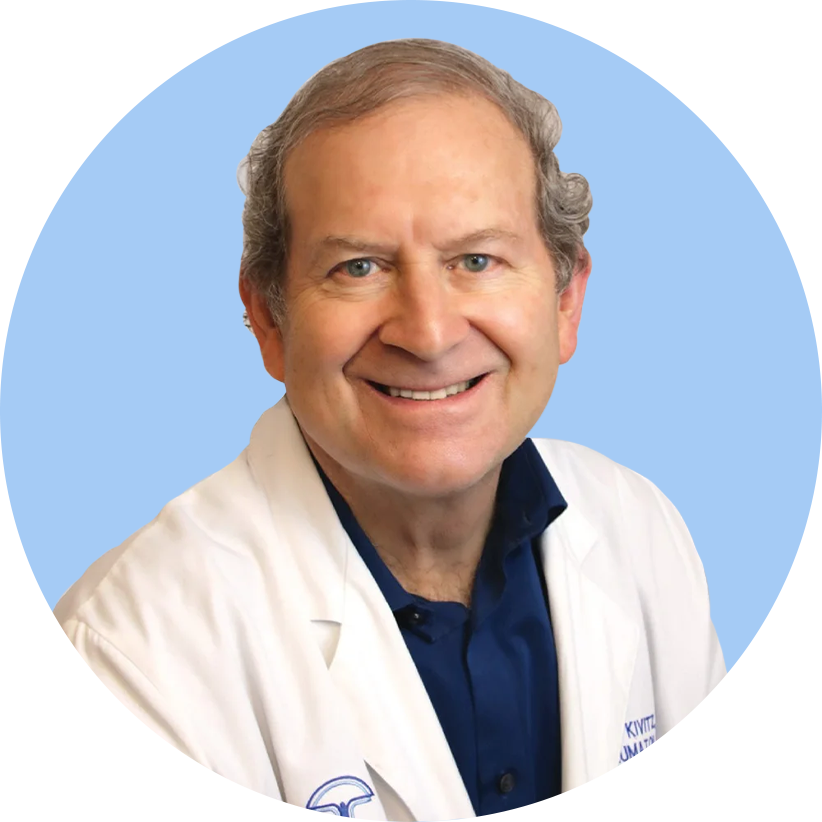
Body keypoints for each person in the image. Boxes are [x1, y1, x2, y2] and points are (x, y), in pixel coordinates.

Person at [53, 39, 727, 822]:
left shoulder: (642, 527)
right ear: (269, 319)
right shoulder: (129, 642)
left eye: (476, 259)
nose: (429, 331)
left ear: (566, 300)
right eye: (359, 268)